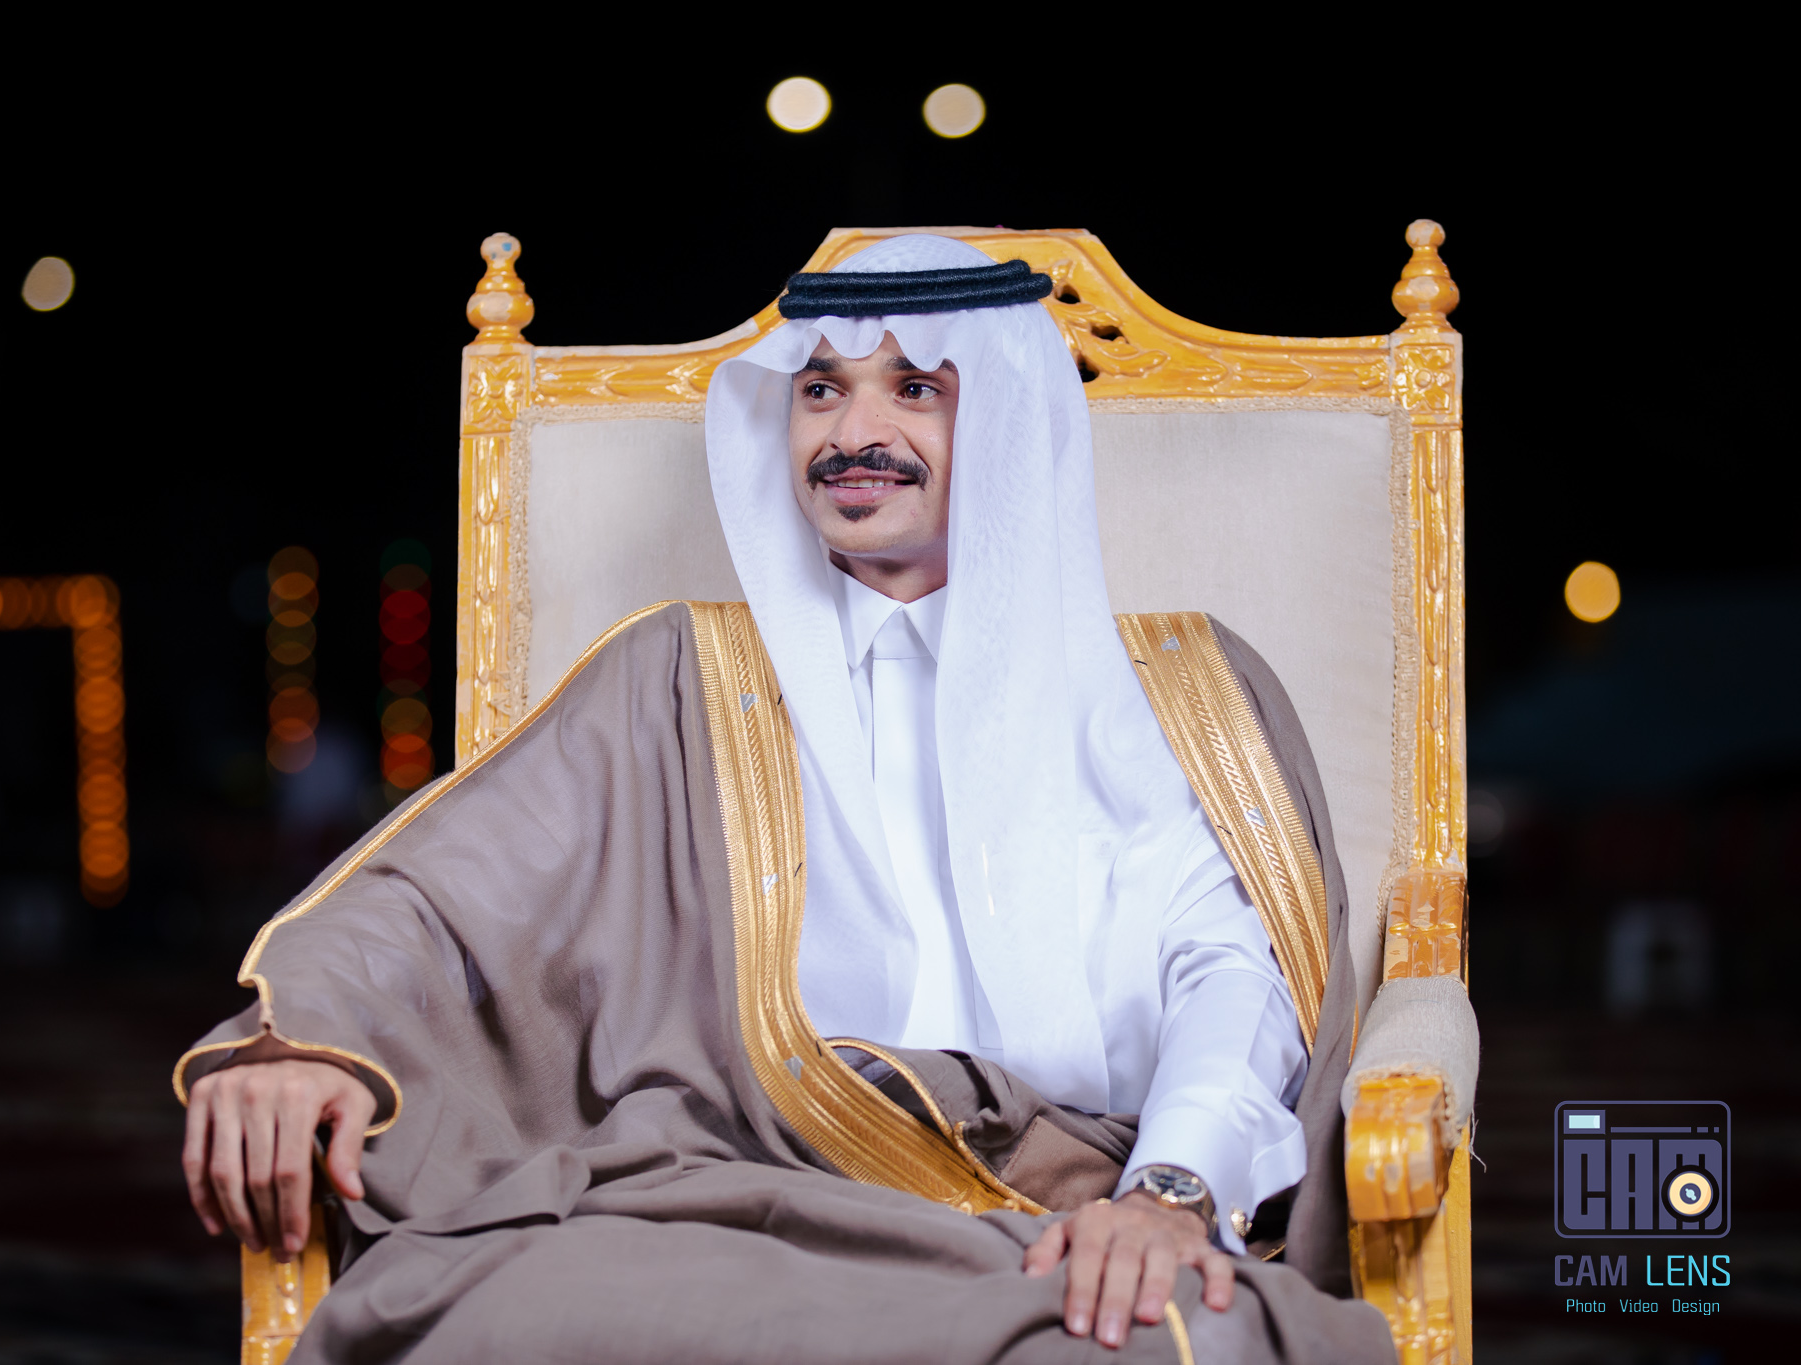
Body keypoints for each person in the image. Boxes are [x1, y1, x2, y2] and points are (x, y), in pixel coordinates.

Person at [176, 235, 1395, 1362]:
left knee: (1147, 1336)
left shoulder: (1175, 692)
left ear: (1012, 417)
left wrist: (1169, 1195)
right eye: (819, 390)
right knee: (489, 1312)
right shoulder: (675, 679)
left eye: (912, 389)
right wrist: (300, 1041)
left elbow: (1229, 981)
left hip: (1055, 1208)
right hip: (729, 1196)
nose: (852, 432)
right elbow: (449, 891)